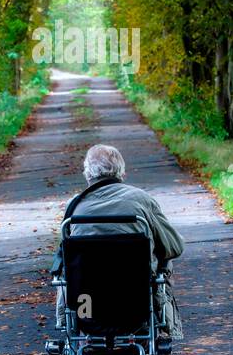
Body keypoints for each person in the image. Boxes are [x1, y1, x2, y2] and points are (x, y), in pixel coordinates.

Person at [52, 143, 184, 339]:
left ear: (88, 173)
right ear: (121, 172)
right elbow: (174, 246)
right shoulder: (141, 200)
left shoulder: (75, 206)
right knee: (163, 258)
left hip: (86, 306)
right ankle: (161, 323)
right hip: (134, 302)